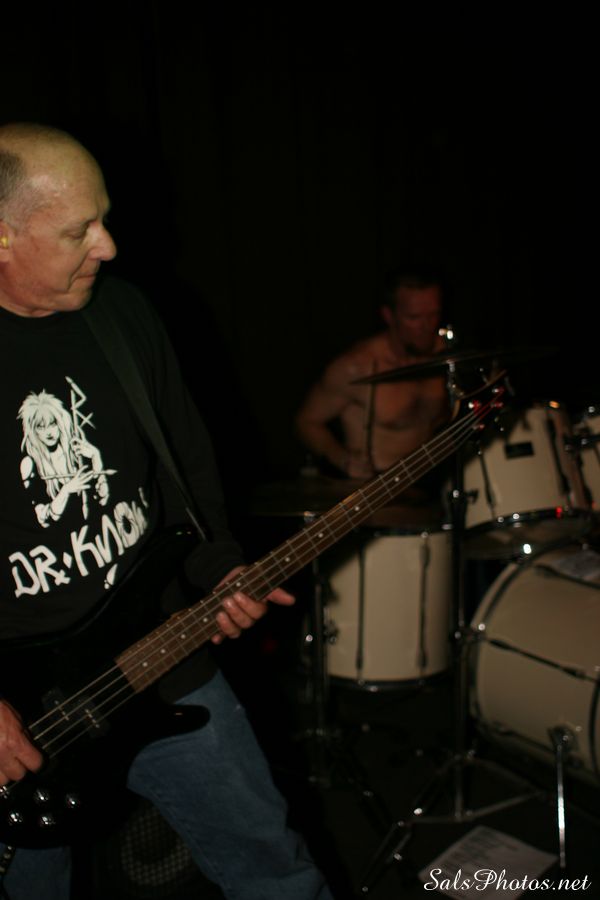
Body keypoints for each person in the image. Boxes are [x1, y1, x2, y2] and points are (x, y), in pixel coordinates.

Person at [0, 123, 333, 899]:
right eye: (79, 230)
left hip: (160, 657)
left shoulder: (122, 315)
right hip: (20, 707)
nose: (109, 246)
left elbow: (188, 469)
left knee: (277, 873)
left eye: (105, 218)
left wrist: (219, 567)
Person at [295, 268, 450, 486]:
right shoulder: (357, 366)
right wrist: (342, 459)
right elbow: (306, 422)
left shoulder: (445, 357)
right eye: (414, 317)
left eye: (433, 314)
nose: (427, 326)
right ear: (389, 315)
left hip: (431, 484)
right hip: (379, 488)